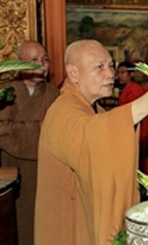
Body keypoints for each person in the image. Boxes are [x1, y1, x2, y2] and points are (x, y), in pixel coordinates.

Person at [34, 40, 148, 245]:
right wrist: (144, 104)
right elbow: (91, 135)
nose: (110, 73)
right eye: (99, 67)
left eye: (111, 65)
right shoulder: (62, 111)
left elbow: (103, 131)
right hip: (69, 229)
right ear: (74, 73)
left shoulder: (93, 110)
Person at [0, 40, 59, 245]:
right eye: (34, 60)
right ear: (19, 63)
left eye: (44, 60)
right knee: (18, 223)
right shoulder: (6, 92)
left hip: (46, 171)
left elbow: (61, 130)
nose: (41, 65)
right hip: (13, 169)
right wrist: (40, 127)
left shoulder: (54, 94)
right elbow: (2, 129)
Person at [118, 61, 148, 174]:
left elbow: (136, 112)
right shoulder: (131, 87)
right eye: (118, 73)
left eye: (123, 72)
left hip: (141, 129)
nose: (119, 76)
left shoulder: (134, 88)